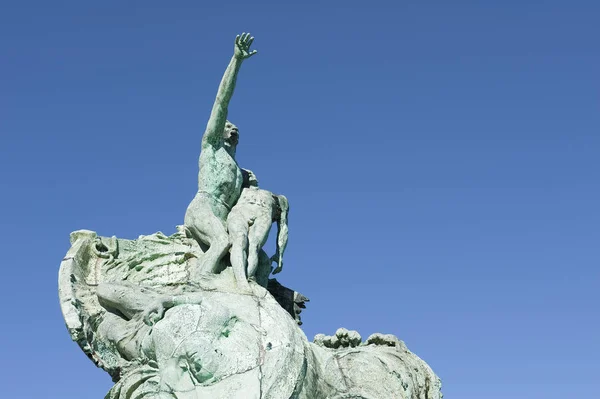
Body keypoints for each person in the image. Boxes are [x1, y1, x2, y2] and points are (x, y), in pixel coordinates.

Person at [184, 33, 257, 277]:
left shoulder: (239, 171)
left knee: (246, 249)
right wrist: (236, 61)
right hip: (202, 209)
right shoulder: (211, 146)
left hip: (224, 215)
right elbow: (221, 101)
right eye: (228, 126)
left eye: (235, 128)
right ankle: (199, 282)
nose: (232, 129)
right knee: (222, 242)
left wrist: (251, 187)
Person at [226, 182, 289, 290]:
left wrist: (280, 254)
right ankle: (241, 280)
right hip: (239, 212)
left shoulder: (280, 200)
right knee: (239, 240)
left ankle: (248, 279)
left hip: (263, 215)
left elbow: (283, 227)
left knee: (253, 246)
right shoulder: (240, 188)